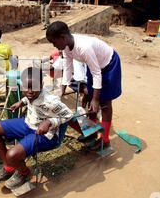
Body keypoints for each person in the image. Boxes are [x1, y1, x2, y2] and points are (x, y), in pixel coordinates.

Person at [0, 67, 73, 189]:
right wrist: (21, 102)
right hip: (28, 123)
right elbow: (28, 97)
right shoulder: (30, 94)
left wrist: (49, 122)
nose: (30, 91)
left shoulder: (51, 101)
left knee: (11, 154)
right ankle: (9, 167)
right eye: (26, 87)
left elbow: (69, 115)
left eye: (34, 87)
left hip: (45, 135)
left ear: (42, 85)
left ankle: (24, 173)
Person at [46, 21, 122, 150]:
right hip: (94, 67)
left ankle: (105, 140)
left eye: (54, 42)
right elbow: (68, 68)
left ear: (63, 37)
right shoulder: (65, 47)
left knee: (104, 104)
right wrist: (62, 90)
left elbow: (97, 73)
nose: (54, 46)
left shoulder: (84, 47)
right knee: (90, 96)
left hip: (108, 65)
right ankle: (91, 133)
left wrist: (96, 99)